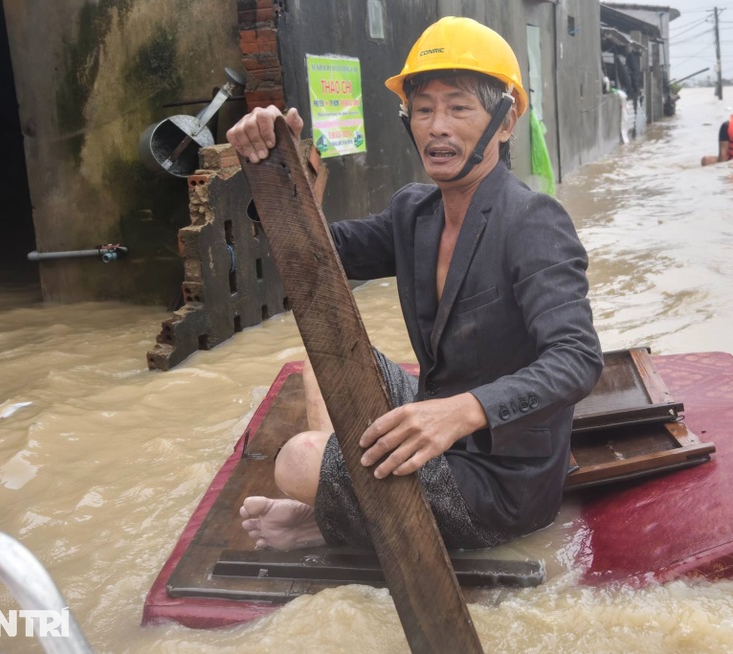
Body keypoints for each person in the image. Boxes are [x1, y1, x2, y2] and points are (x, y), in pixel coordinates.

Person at [226, 16, 603, 552]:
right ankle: (339, 509)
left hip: (501, 478)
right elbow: (313, 258)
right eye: (423, 109)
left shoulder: (533, 221)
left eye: (458, 107)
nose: (437, 126)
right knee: (320, 360)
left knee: (300, 458)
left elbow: (577, 359)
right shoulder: (414, 212)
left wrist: (463, 411)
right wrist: (275, 166)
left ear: (505, 120)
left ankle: (328, 512)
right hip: (435, 418)